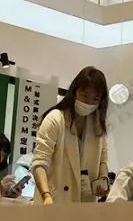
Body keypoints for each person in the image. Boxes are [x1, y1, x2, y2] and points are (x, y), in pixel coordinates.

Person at [31, 66, 111, 204]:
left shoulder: (97, 125)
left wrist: (103, 181)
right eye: (84, 96)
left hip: (84, 203)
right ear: (74, 92)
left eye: (95, 99)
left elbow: (103, 161)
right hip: (54, 201)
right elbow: (40, 163)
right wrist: (46, 195)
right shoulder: (55, 118)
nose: (88, 103)